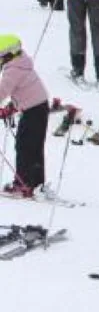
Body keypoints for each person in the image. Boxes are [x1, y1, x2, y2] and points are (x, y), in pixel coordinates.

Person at [0, 35, 50, 197]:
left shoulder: (13, 69)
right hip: (38, 107)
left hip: (33, 111)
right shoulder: (21, 64)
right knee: (34, 146)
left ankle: (23, 184)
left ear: (9, 54)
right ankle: (35, 182)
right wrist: (12, 107)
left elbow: (3, 90)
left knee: (25, 147)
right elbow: (24, 91)